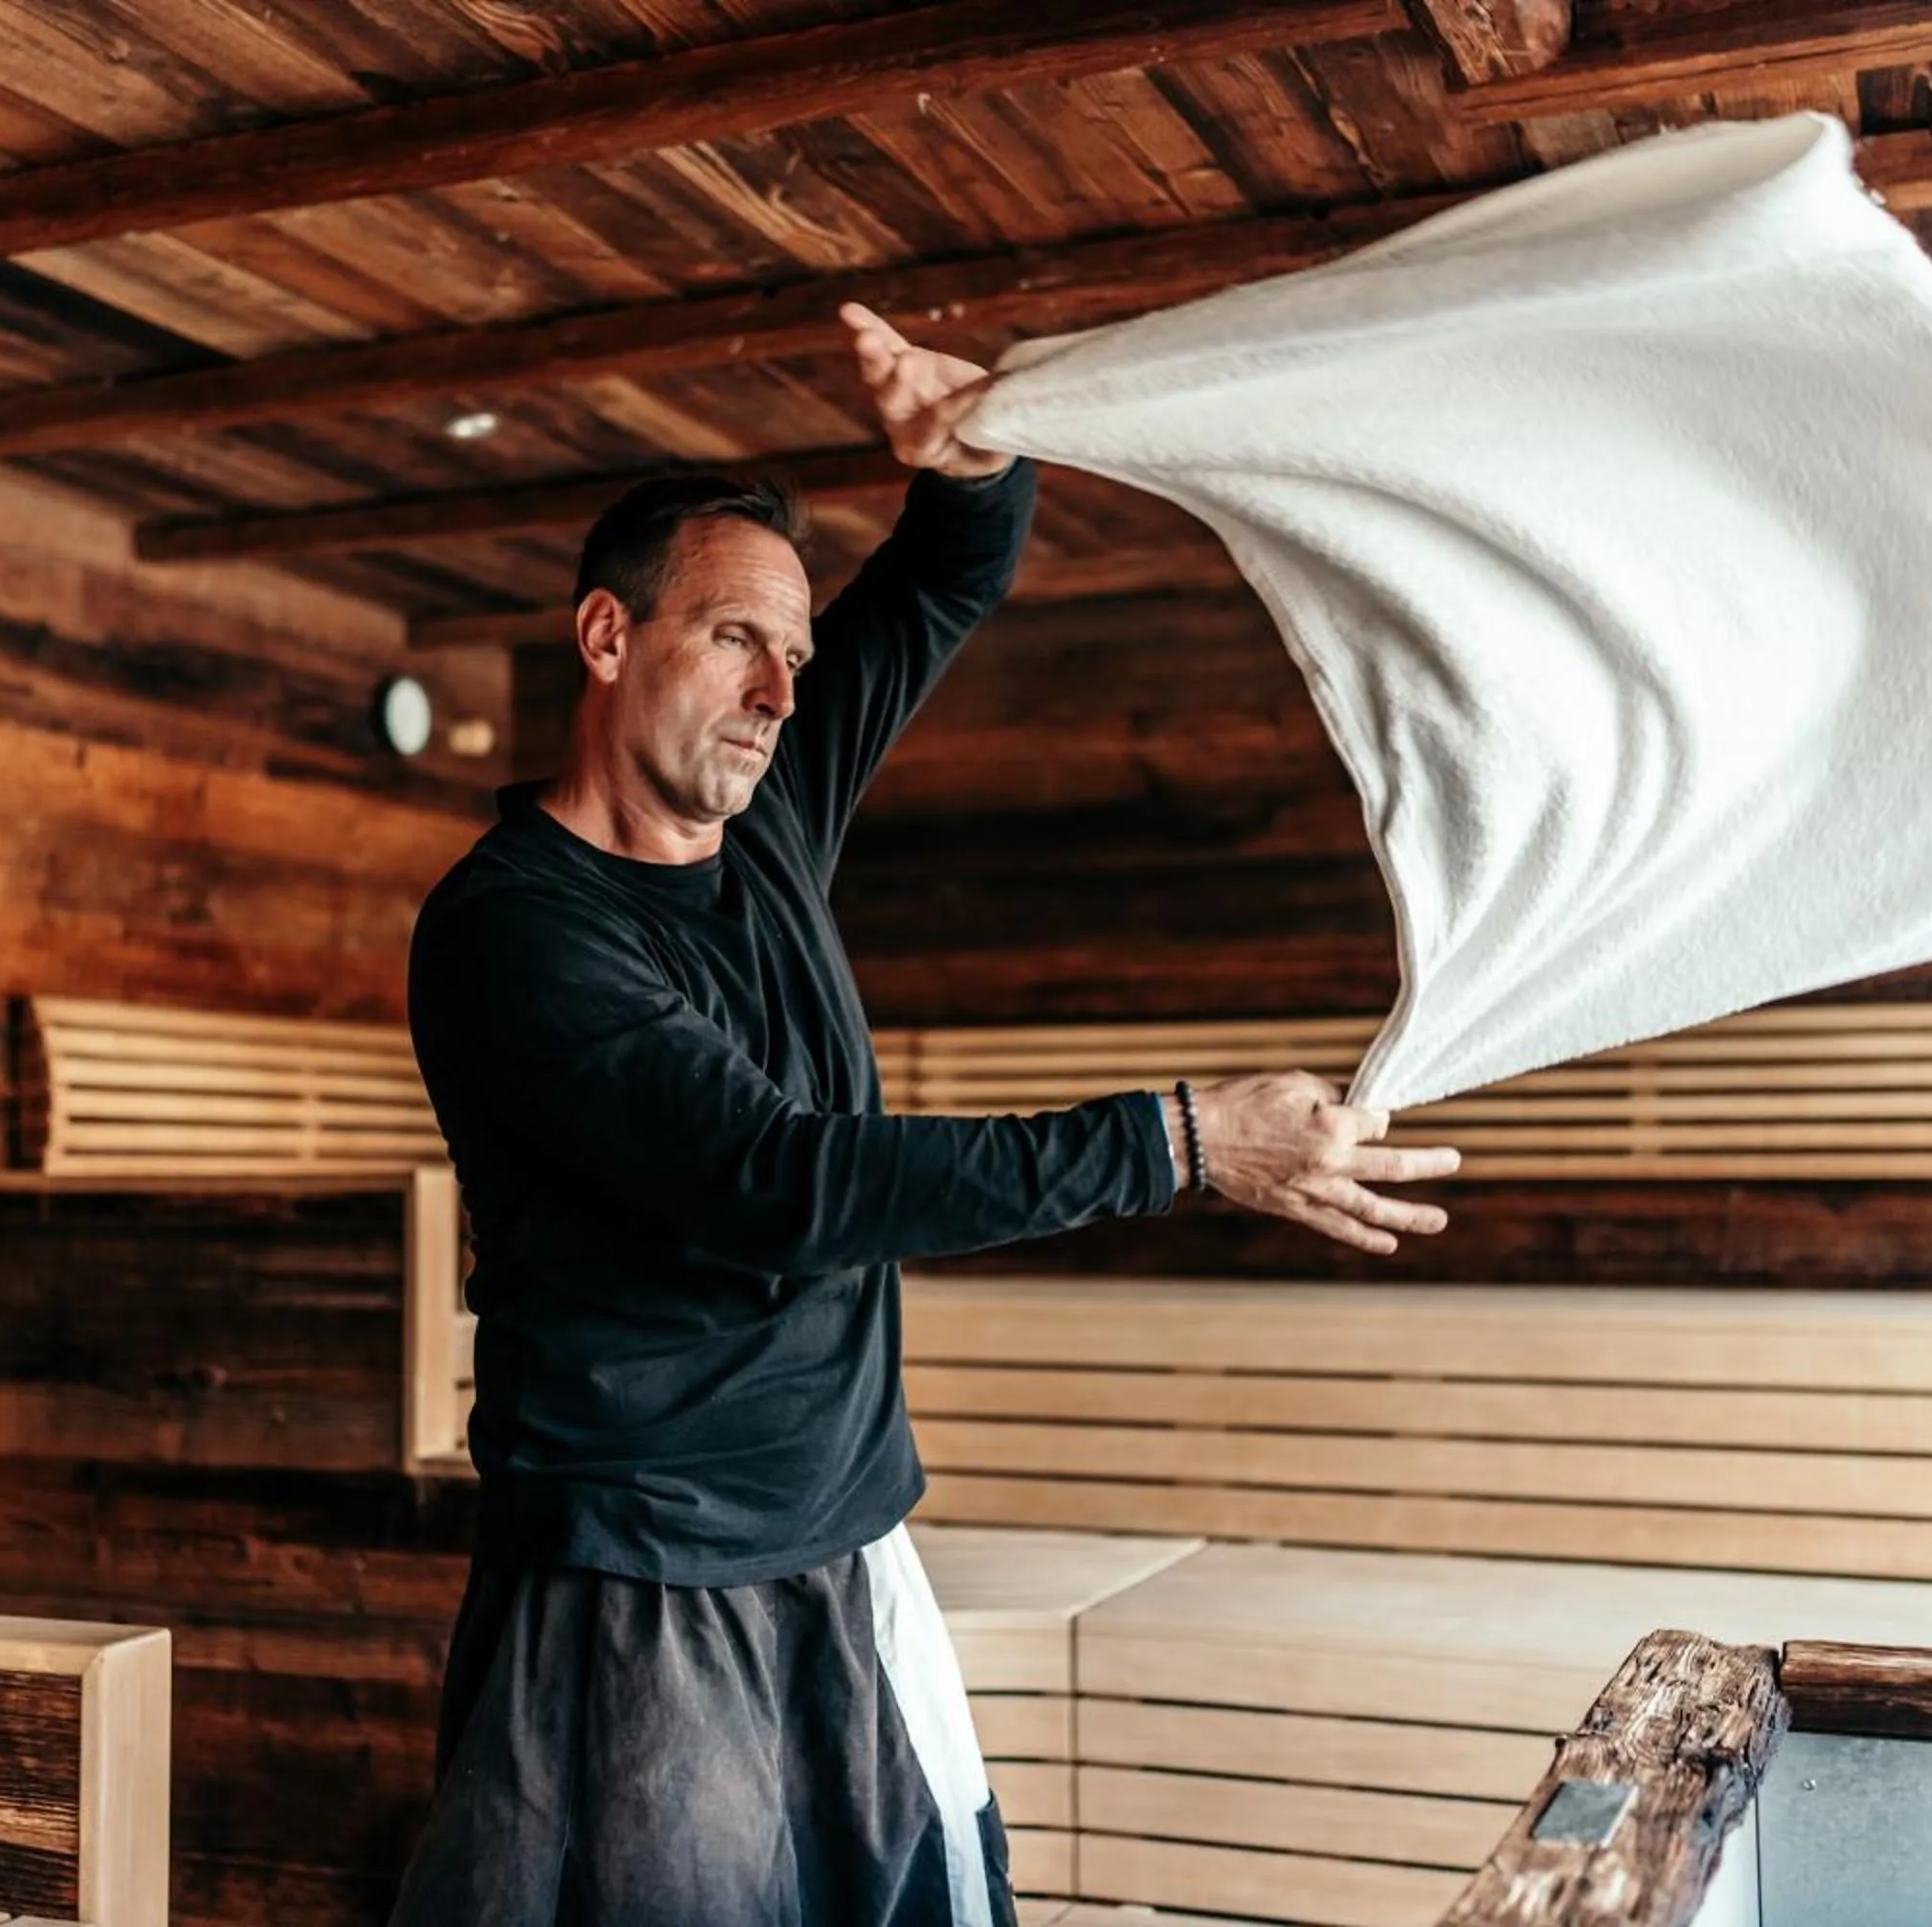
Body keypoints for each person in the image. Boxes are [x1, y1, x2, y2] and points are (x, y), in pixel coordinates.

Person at [391, 301, 1462, 1927]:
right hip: (644, 1573)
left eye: (797, 655)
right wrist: (1182, 1140)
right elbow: (779, 1184)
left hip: (848, 1530)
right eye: (738, 638)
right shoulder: (516, 931)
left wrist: (969, 462)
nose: (777, 690)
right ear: (609, 638)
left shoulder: (769, 812)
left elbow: (952, 573)